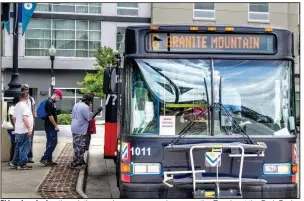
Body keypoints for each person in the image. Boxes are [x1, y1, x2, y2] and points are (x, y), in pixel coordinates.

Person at [70, 94, 102, 169]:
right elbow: (90, 117)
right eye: (90, 101)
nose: (90, 103)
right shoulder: (84, 107)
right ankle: (76, 163)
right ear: (87, 100)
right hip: (80, 128)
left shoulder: (77, 104)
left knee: (77, 145)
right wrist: (97, 111)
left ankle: (80, 161)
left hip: (75, 127)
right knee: (80, 147)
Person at [9, 91, 34, 170]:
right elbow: (25, 118)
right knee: (24, 147)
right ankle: (22, 164)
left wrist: (17, 126)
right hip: (24, 130)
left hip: (18, 130)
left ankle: (14, 162)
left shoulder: (17, 105)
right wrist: (29, 129)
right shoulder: (25, 106)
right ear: (27, 98)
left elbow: (14, 118)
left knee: (18, 146)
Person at [40, 89, 63, 166]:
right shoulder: (49, 103)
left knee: (50, 142)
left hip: (49, 125)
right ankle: (45, 158)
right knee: (53, 141)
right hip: (50, 125)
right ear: (56, 95)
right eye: (59, 97)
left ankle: (48, 160)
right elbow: (50, 116)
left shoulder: (51, 102)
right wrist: (55, 126)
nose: (59, 99)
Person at [21, 84, 36, 163]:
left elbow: (32, 109)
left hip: (30, 121)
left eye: (27, 89)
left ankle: (29, 157)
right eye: (24, 89)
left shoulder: (31, 98)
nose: (26, 90)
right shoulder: (21, 98)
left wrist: (33, 120)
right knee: (24, 141)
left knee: (30, 140)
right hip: (23, 122)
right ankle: (24, 157)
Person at [7, 97, 20, 165]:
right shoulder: (12, 108)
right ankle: (11, 160)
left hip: (15, 128)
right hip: (13, 129)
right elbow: (12, 117)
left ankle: (13, 160)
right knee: (14, 144)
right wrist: (15, 127)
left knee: (15, 144)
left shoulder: (15, 108)